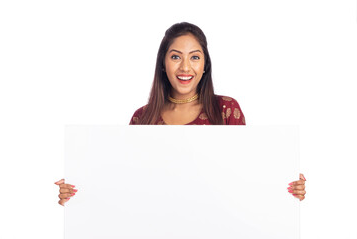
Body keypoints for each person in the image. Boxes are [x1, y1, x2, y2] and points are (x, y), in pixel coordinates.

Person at [55, 22, 307, 206]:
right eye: (176, 57)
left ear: (205, 64)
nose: (185, 67)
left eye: (194, 57)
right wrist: (79, 192)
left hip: (220, 228)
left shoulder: (227, 110)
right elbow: (123, 185)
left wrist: (282, 183)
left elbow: (247, 176)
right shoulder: (142, 118)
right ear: (163, 63)